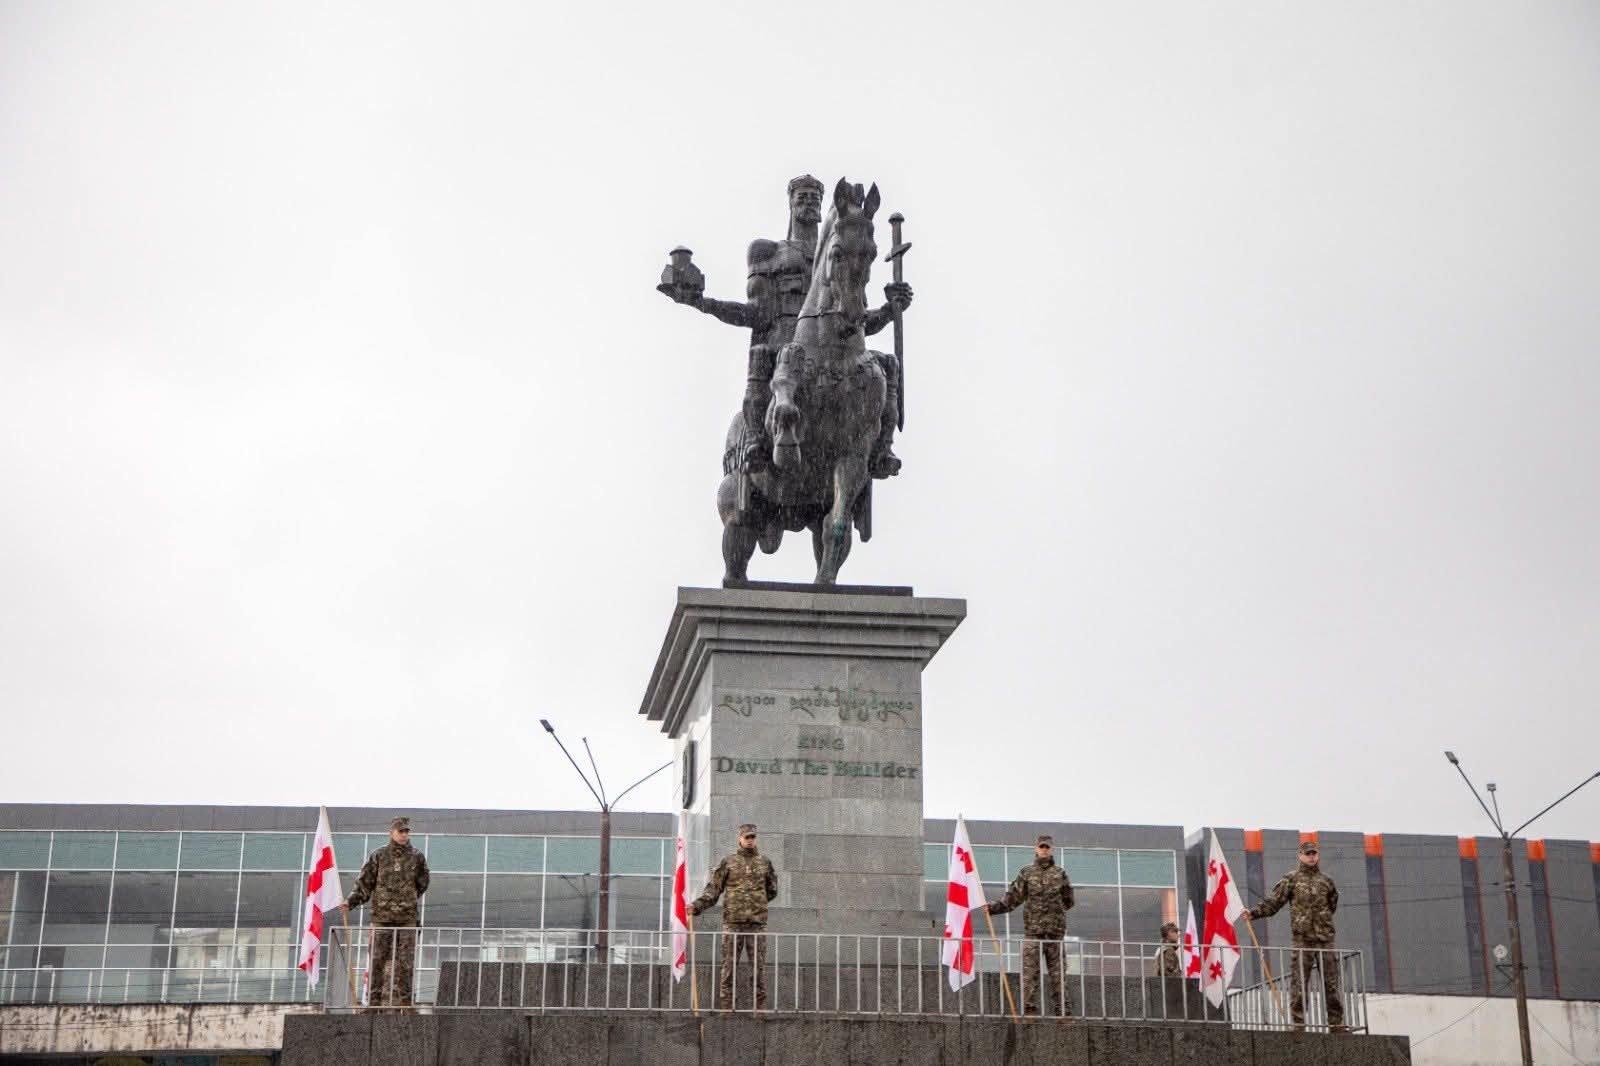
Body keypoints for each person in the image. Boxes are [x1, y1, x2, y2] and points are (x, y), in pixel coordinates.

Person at [663, 174, 912, 480]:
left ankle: (881, 449)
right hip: (783, 348)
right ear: (791, 203)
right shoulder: (768, 252)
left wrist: (890, 309)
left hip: (832, 353)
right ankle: (755, 439)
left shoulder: (844, 254)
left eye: (814, 198)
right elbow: (754, 314)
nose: (809, 202)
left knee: (886, 364)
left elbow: (856, 320)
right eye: (802, 196)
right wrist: (701, 302)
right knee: (761, 355)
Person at [1247, 840, 1345, 1031]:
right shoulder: (1291, 879)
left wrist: (1321, 923)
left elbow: (1332, 905)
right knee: (1299, 983)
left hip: (1325, 940)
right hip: (1303, 940)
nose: (1311, 857)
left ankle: (1336, 1023)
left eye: (1314, 853)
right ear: (1300, 855)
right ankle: (1298, 1023)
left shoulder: (1326, 881)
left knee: (1331, 983)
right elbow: (1274, 903)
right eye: (1307, 854)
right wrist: (1253, 913)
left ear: (1318, 855)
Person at [341, 816, 430, 1008]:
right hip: (382, 919)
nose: (404, 835)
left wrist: (406, 899)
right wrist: (350, 902)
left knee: (406, 965)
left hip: (407, 920)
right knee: (377, 963)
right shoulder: (378, 856)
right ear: (391, 833)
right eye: (401, 831)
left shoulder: (417, 857)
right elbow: (365, 884)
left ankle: (406, 1004)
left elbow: (422, 884)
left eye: (407, 831)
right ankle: (373, 1005)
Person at [689, 822, 778, 1011]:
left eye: (753, 837)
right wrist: (696, 906)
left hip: (757, 924)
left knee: (759, 969)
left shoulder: (764, 862)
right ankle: (726, 1008)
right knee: (728, 967)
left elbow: (772, 890)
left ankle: (759, 1009)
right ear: (739, 838)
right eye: (747, 837)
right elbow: (713, 891)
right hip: (733, 924)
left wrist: (755, 904)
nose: (750, 840)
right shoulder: (728, 862)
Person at [984, 834, 1075, 1017]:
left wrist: (1054, 916)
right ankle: (1029, 1009)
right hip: (1033, 933)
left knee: (1058, 976)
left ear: (1052, 849)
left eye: (1047, 847)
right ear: (1036, 849)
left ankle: (1063, 1012)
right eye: (1041, 847)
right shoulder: (1026, 873)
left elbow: (1068, 901)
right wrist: (992, 908)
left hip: (1055, 934)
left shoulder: (1060, 873)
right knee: (1029, 974)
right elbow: (1012, 899)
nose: (1044, 850)